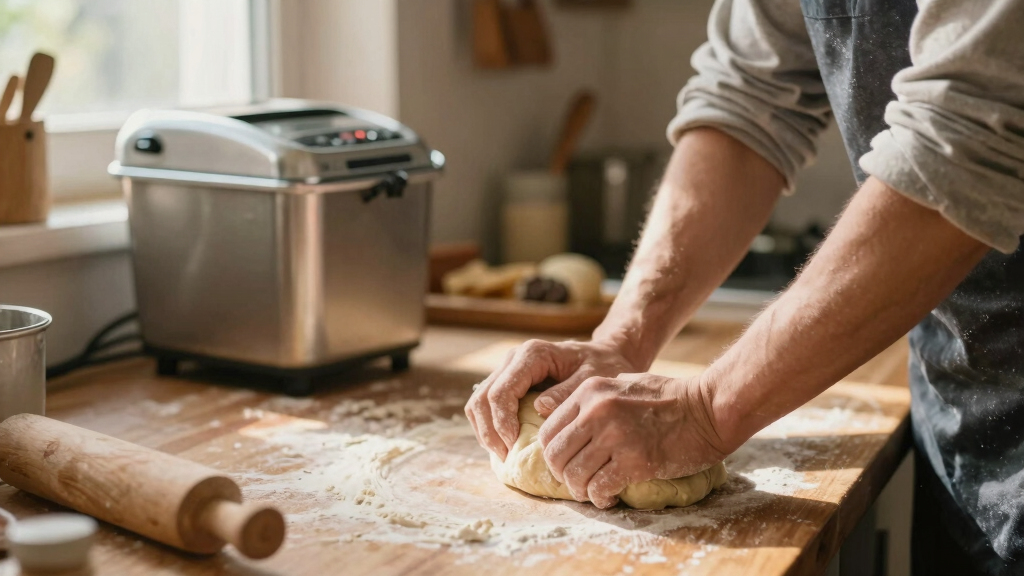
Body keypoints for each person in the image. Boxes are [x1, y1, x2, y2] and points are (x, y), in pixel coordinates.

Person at [464, 0, 1024, 573]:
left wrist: (707, 411)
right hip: (962, 406)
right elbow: (748, 98)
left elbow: (968, 138)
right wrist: (621, 340)